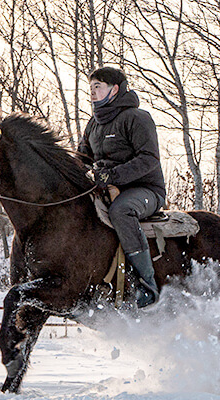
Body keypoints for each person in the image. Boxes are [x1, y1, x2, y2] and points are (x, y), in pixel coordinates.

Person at [78, 67, 166, 308]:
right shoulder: (93, 124)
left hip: (145, 190)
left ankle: (148, 286)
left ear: (115, 90)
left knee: (121, 211)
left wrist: (112, 176)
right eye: (91, 88)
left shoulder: (137, 118)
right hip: (107, 187)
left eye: (99, 87)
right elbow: (82, 157)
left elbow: (149, 159)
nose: (93, 93)